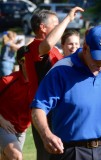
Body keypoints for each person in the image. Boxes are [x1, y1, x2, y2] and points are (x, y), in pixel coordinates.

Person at [30, 25, 101, 160]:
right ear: (85, 48)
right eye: (97, 58)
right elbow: (38, 108)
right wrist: (46, 135)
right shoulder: (61, 70)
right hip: (72, 151)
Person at [25, 7, 84, 160]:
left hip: (57, 109)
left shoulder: (54, 51)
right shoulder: (35, 47)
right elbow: (47, 44)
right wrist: (68, 18)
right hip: (45, 110)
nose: (60, 28)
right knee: (48, 153)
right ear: (42, 28)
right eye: (55, 24)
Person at [0, 46, 31, 160]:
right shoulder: (8, 81)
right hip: (3, 126)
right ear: (21, 61)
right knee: (16, 156)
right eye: (29, 59)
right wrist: (1, 120)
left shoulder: (38, 83)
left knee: (7, 157)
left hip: (21, 130)